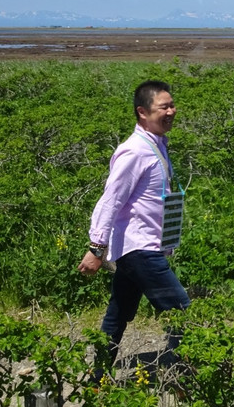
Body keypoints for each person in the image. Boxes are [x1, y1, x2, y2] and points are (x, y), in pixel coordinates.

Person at [78, 80, 190, 375]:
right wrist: (96, 249)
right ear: (142, 112)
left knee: (118, 315)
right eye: (163, 107)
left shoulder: (156, 145)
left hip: (137, 248)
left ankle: (97, 377)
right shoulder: (135, 151)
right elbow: (110, 201)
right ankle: (187, 379)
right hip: (140, 250)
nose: (171, 111)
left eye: (172, 105)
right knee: (182, 313)